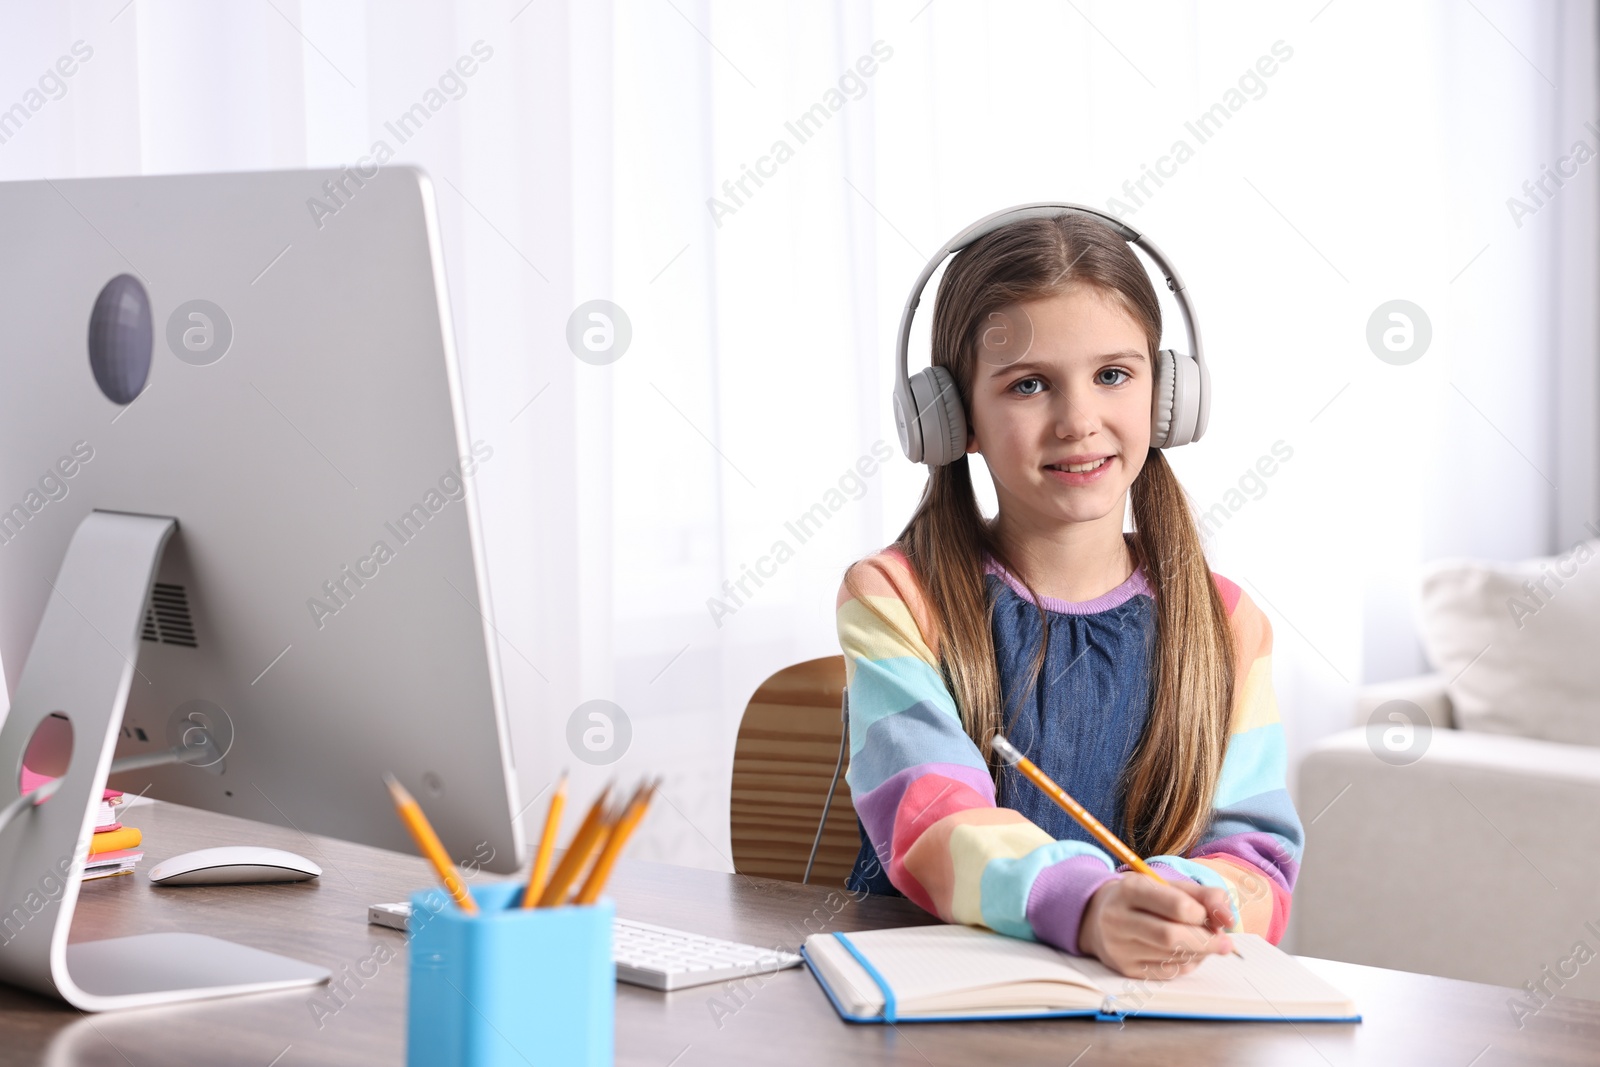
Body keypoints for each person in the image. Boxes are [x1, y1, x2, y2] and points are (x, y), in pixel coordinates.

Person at [838, 211, 1302, 979]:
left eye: (1113, 375)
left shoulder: (1227, 624)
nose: (1079, 420)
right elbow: (932, 817)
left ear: (1166, 398)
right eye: (1028, 385)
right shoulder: (895, 597)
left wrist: (1186, 898)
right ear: (954, 421)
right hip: (946, 1002)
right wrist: (1085, 905)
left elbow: (1259, 854)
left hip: (1150, 1004)